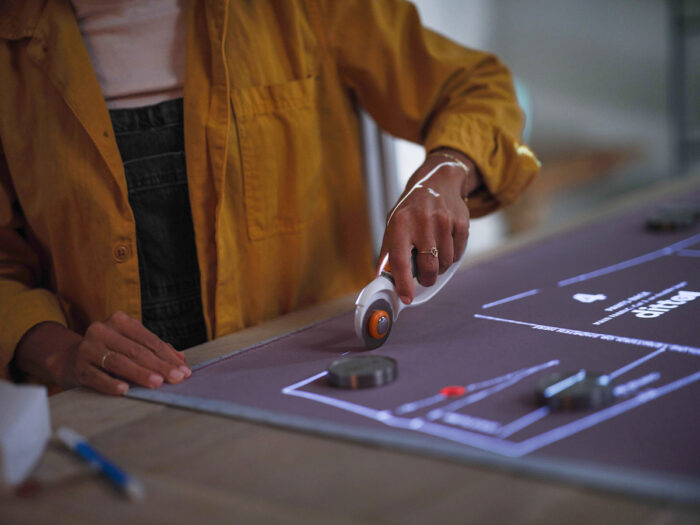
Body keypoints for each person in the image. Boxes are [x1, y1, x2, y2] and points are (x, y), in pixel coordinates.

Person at [0, 0, 540, 395]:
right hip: (111, 419)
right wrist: (61, 353)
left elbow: (479, 86)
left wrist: (446, 170)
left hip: (322, 387)